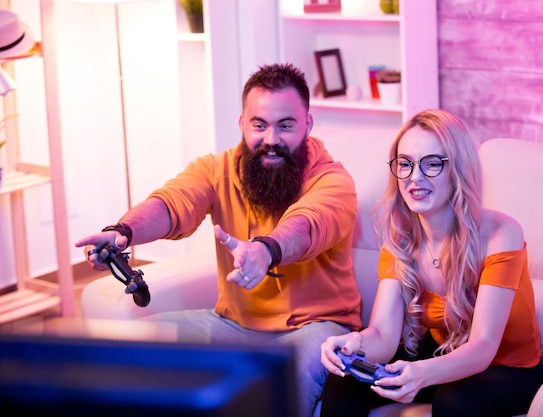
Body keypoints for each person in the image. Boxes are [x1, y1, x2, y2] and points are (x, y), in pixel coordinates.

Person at [75, 63, 362, 417]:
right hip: (229, 325)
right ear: (242, 123)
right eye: (259, 125)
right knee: (132, 352)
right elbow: (172, 202)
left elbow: (307, 225)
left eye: (285, 125)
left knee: (276, 385)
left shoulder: (334, 181)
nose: (271, 139)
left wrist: (265, 250)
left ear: (308, 124)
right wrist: (123, 232)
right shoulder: (215, 169)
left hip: (318, 329)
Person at [319, 109, 543, 417]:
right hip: (442, 350)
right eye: (406, 164)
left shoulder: (500, 234)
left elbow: (483, 345)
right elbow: (384, 336)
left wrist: (423, 373)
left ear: (458, 169)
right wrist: (353, 343)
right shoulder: (399, 237)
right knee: (345, 380)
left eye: (432, 164)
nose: (415, 178)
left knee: (455, 401)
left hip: (508, 367)